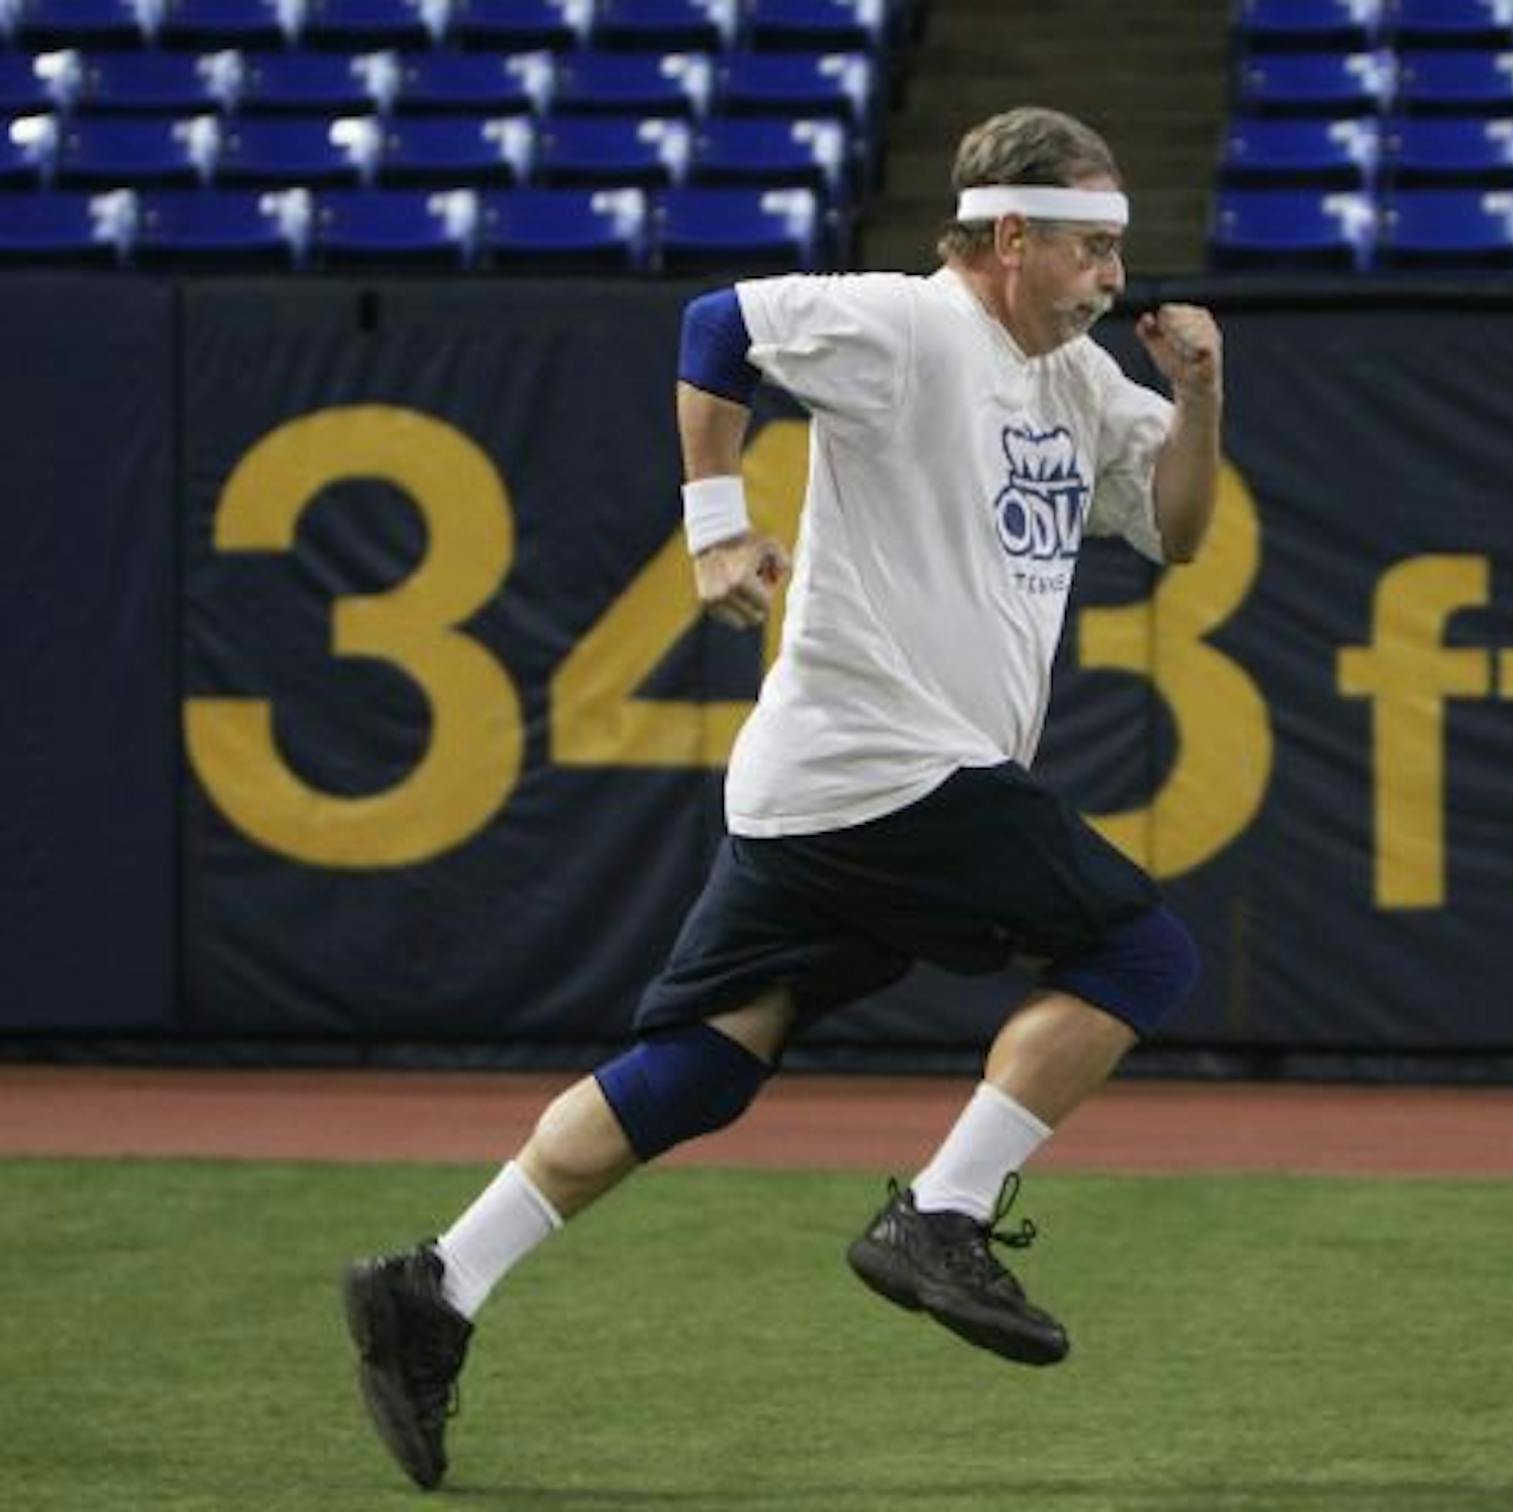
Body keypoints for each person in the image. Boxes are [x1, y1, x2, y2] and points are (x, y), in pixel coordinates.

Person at [340, 105, 1224, 1491]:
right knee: (1143, 948)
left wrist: (1202, 394)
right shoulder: (913, 325)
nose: (1113, 279)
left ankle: (436, 1283)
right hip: (894, 764)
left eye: (1115, 251)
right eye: (1086, 251)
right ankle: (942, 1211)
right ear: (1006, 237)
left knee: (705, 1065)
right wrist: (712, 527)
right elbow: (716, 324)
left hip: (815, 790)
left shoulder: (1079, 383)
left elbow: (1175, 531)